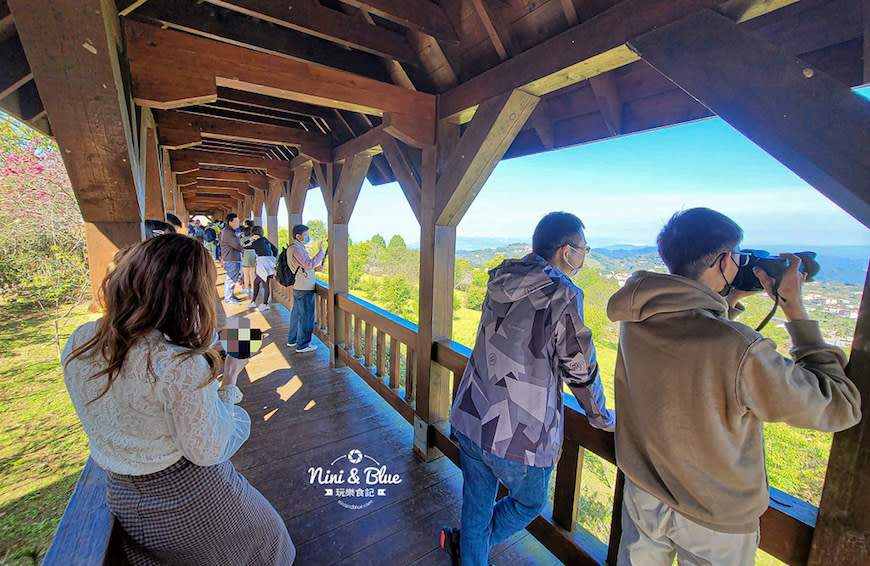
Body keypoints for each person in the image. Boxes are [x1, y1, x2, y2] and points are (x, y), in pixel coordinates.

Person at [607, 207, 862, 565]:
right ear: (725, 260)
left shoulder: (636, 318)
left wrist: (729, 299)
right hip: (714, 518)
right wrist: (795, 312)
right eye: (738, 257)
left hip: (644, 492)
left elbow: (691, 328)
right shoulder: (739, 347)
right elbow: (838, 407)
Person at [62, 234, 295, 565]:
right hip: (186, 499)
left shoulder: (82, 340)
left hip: (123, 497)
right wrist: (230, 376)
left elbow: (142, 395)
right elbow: (209, 449)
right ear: (187, 294)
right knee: (272, 539)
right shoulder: (175, 364)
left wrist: (199, 361)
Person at [442, 212, 615, 566]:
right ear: (566, 252)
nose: (584, 257)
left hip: (472, 412)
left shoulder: (502, 279)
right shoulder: (562, 293)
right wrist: (598, 415)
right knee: (530, 503)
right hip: (519, 430)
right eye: (584, 249)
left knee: (475, 504)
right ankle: (474, 544)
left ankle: (471, 549)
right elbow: (578, 368)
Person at [286, 224, 325, 353]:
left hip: (299, 286)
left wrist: (315, 268)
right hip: (304, 287)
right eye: (306, 235)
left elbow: (304, 266)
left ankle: (292, 340)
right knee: (306, 317)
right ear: (298, 236)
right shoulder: (297, 249)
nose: (308, 238)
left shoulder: (294, 248)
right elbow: (309, 264)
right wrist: (321, 252)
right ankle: (302, 345)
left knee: (296, 315)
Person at [245, 225, 279, 311]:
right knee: (257, 282)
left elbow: (242, 246)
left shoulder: (256, 242)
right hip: (269, 263)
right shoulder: (265, 240)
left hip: (262, 264)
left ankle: (265, 304)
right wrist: (273, 258)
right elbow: (275, 249)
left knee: (265, 283)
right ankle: (254, 301)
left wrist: (250, 239)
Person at [220, 214, 244, 304]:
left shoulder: (228, 231)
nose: (238, 223)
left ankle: (231, 296)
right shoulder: (228, 232)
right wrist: (244, 250)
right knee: (230, 279)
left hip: (230, 257)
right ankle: (228, 298)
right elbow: (236, 245)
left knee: (232, 278)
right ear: (230, 222)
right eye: (236, 221)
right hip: (231, 258)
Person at [240, 226, 257, 296]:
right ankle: (253, 289)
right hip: (253, 258)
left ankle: (246, 288)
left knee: (246, 275)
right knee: (252, 275)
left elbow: (240, 247)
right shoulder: (254, 240)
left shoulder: (242, 239)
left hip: (245, 259)